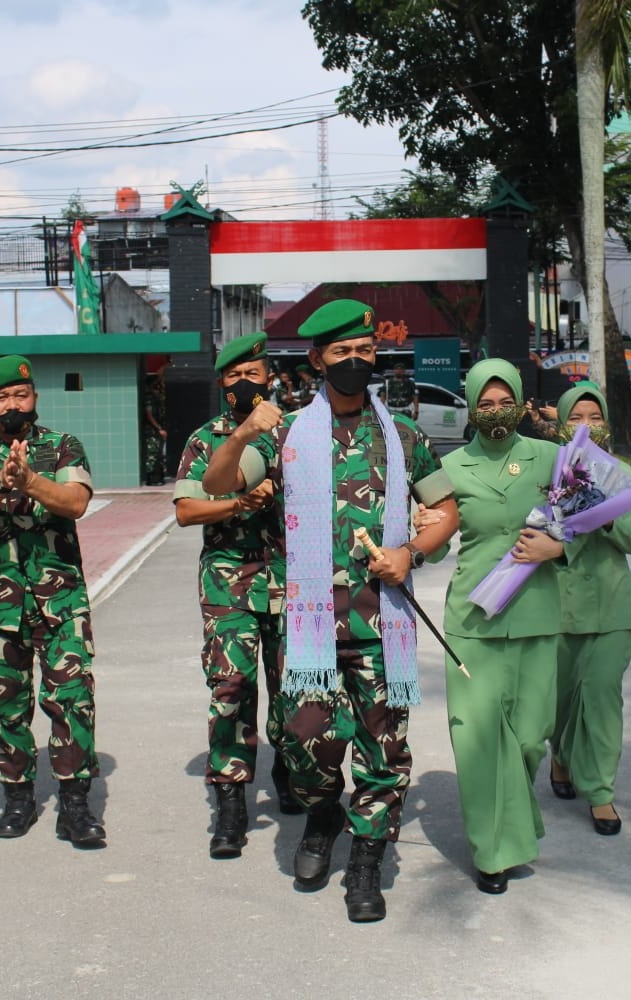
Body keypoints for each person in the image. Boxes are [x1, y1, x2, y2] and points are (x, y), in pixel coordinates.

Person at [201, 300, 457, 923]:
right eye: (341, 353)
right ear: (317, 359)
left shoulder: (403, 435)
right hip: (308, 625)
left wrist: (411, 551)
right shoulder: (286, 434)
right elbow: (215, 485)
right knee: (305, 744)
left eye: (364, 352)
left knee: (383, 751)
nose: (354, 363)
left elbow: (446, 509)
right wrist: (241, 433)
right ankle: (322, 812)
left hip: (381, 622)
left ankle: (366, 861)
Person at [0, 355, 106, 847]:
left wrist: (30, 480)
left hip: (60, 603)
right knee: (4, 704)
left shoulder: (62, 446)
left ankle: (75, 804)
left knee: (72, 701)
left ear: (34, 397)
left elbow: (76, 502)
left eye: (22, 395)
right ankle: (17, 795)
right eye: (2, 398)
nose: (14, 405)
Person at [437, 358, 564, 895]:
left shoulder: (552, 458)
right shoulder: (450, 468)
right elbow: (435, 537)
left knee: (531, 737)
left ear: (519, 403)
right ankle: (493, 851)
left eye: (504, 401)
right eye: (484, 404)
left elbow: (598, 513)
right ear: (469, 407)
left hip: (537, 615)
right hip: (473, 619)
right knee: (480, 740)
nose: (495, 412)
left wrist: (560, 545)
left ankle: (512, 821)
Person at [173, 331, 296, 861]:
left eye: (255, 374)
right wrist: (241, 503)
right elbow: (187, 510)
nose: (246, 383)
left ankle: (292, 772)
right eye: (235, 376)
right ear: (223, 385)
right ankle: (230, 799)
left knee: (293, 684)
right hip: (230, 580)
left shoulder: (299, 432)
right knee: (232, 685)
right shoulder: (207, 439)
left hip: (292, 579)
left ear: (272, 377)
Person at [546, 382, 631, 837]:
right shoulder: (545, 469)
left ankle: (601, 791)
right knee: (561, 700)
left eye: (595, 417)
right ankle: (562, 756)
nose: (586, 426)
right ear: (561, 423)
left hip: (610, 606)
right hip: (557, 605)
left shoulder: (620, 473)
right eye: (575, 417)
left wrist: (601, 511)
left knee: (603, 699)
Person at [142, 371, 168, 486]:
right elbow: (149, 414)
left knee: (158, 454)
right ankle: (150, 478)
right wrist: (158, 428)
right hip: (152, 431)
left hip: (157, 430)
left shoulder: (155, 395)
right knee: (152, 455)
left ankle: (157, 477)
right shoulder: (149, 396)